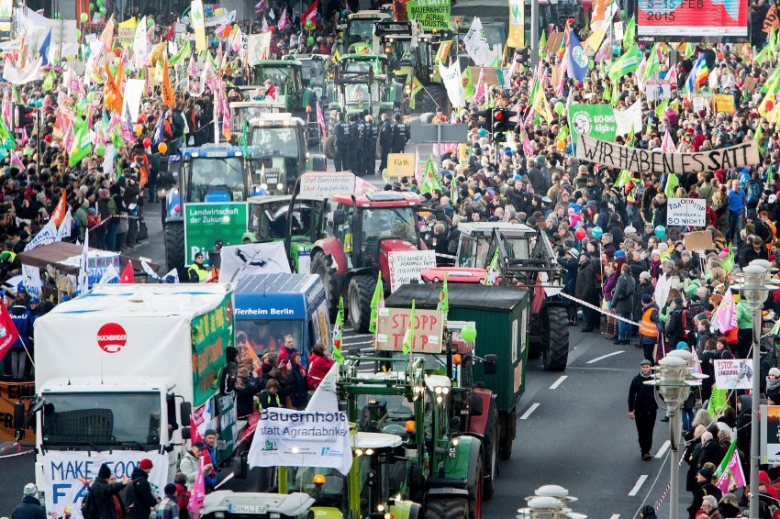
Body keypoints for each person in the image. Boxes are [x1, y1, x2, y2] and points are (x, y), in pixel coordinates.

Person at [629, 359, 658, 461]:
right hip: (640, 409)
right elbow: (631, 395)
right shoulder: (636, 380)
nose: (645, 369)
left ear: (650, 368)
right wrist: (631, 410)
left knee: (649, 431)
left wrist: (669, 402)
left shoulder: (654, 379)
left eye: (647, 367)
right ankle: (643, 450)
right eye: (643, 367)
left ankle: (647, 450)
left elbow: (661, 392)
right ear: (640, 368)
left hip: (651, 409)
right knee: (641, 431)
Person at [612, 263, 636, 345]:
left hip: (621, 303)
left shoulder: (621, 278)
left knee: (621, 321)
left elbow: (617, 291)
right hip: (629, 302)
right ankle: (627, 338)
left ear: (623, 270)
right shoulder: (632, 279)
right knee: (628, 321)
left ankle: (621, 338)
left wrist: (613, 303)